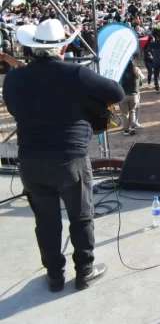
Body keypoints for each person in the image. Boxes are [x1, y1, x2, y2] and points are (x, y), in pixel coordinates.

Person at [3, 19, 125, 292]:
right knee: (80, 217)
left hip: (31, 161)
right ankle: (85, 271)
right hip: (70, 159)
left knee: (45, 222)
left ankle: (54, 276)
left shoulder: (14, 78)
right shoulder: (75, 74)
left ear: (33, 48)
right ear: (63, 47)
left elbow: (13, 109)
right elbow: (116, 92)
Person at [119, 61, 143, 136]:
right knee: (132, 111)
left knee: (125, 113)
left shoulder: (122, 74)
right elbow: (141, 83)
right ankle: (133, 127)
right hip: (134, 96)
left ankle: (126, 130)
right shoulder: (136, 74)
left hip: (124, 96)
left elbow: (119, 84)